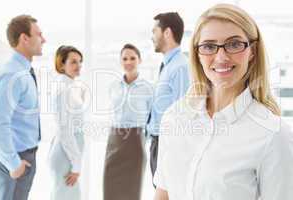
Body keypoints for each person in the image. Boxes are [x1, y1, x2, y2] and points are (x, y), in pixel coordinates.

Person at [154, 4, 293, 200]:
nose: (221, 57)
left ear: (252, 51)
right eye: (209, 46)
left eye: (234, 44)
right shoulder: (174, 118)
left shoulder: (273, 134)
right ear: (197, 54)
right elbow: (163, 194)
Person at [0, 15, 45, 200]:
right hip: (15, 159)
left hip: (24, 157)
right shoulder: (10, 74)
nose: (43, 39)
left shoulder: (22, 72)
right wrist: (13, 164)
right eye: (39, 35)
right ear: (24, 38)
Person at [103, 44, 153, 200]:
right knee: (109, 185)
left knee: (132, 189)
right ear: (120, 61)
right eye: (125, 58)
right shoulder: (114, 86)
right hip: (114, 139)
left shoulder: (148, 87)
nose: (128, 62)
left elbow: (152, 118)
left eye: (132, 58)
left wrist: (145, 139)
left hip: (135, 142)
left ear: (140, 60)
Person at [146, 12, 190, 188]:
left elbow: (183, 115)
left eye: (154, 31)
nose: (152, 37)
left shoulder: (180, 67)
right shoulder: (168, 65)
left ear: (167, 32)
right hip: (159, 143)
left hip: (168, 146)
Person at [48, 45, 87, 200]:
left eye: (80, 62)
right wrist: (76, 165)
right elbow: (65, 130)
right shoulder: (64, 89)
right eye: (73, 62)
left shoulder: (71, 86)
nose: (78, 66)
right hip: (66, 156)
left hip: (68, 153)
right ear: (61, 64)